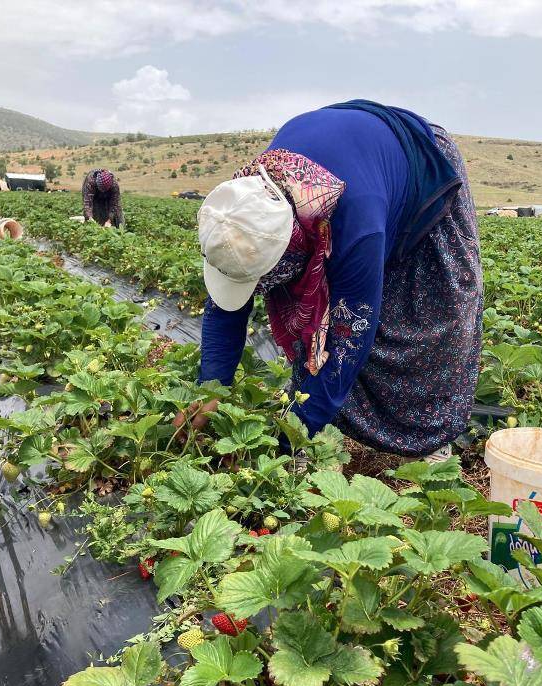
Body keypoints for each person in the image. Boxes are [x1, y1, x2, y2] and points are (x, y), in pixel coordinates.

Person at [196, 100, 483, 461]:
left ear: (293, 249)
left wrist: (289, 443)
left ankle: (430, 442)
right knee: (310, 313)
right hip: (355, 164)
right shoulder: (238, 209)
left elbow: (349, 341)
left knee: (436, 313)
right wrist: (209, 393)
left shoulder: (354, 222)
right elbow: (224, 309)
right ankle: (305, 410)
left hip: (419, 165)